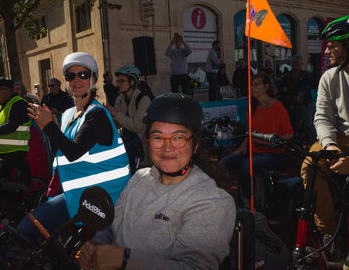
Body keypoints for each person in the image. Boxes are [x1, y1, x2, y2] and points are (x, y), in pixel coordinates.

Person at [77, 93, 236, 270]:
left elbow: (195, 267)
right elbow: (112, 227)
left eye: (178, 138)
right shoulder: (139, 179)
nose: (167, 148)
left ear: (195, 145)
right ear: (149, 142)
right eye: (158, 137)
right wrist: (97, 246)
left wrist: (125, 259)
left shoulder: (212, 201)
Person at [18, 52, 130, 244]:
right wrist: (50, 129)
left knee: (27, 229)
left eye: (83, 75)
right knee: (47, 236)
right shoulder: (69, 114)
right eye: (71, 76)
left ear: (93, 79)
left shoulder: (97, 115)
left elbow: (73, 153)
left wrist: (49, 127)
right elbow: (59, 152)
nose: (77, 80)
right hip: (77, 195)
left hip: (101, 198)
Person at [301, 15, 349, 268]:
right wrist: (331, 148)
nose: (327, 49)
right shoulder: (329, 77)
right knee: (311, 162)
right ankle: (331, 232)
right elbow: (322, 117)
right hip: (339, 141)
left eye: (334, 45)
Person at [219, 73, 293, 207]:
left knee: (248, 165)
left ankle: (247, 203)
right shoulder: (250, 108)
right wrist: (241, 148)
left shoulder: (278, 107)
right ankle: (217, 202)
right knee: (224, 162)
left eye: (256, 84)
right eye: (251, 85)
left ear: (266, 87)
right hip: (254, 151)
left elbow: (289, 134)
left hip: (274, 154)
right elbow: (250, 133)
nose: (252, 87)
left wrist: (273, 141)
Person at [104, 65, 151, 173]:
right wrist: (107, 116)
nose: (118, 84)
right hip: (126, 139)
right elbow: (116, 125)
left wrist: (116, 114)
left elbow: (138, 127)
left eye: (121, 81)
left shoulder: (143, 100)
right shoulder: (120, 99)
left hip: (139, 144)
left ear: (132, 82)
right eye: (118, 81)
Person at [279, 55, 315, 144]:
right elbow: (281, 88)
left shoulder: (306, 74)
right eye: (294, 62)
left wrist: (300, 97)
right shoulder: (287, 75)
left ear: (302, 64)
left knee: (308, 124)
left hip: (306, 103)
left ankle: (315, 142)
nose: (296, 64)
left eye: (298, 62)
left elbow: (305, 88)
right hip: (291, 103)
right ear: (291, 63)